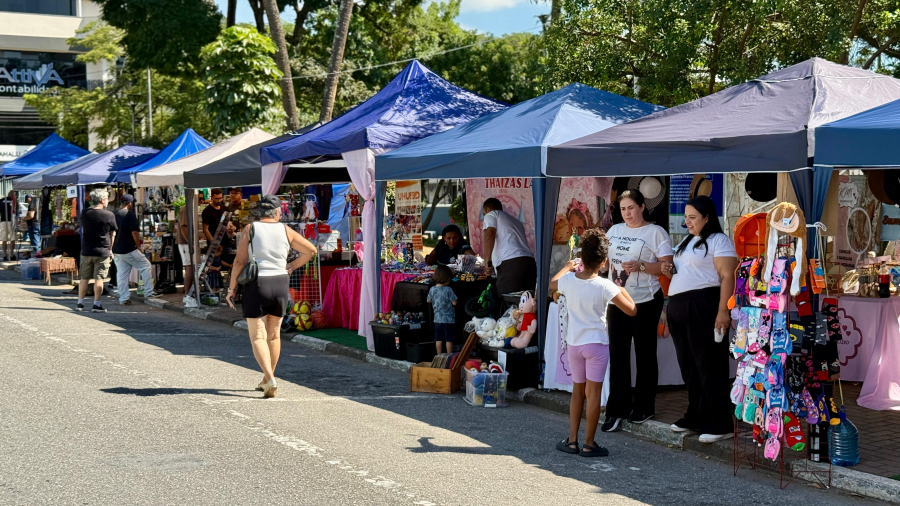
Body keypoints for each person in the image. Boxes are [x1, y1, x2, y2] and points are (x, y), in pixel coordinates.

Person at [550, 230, 636, 458]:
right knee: (594, 393)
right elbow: (631, 310)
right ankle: (589, 443)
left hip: (574, 344)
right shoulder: (605, 285)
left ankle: (571, 440)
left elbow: (552, 284)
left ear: (581, 258)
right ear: (603, 261)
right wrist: (621, 287)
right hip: (596, 344)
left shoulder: (568, 280)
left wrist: (568, 267)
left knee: (577, 391)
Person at [661, 196, 738, 443]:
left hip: (704, 305)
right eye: (686, 217)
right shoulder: (686, 241)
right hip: (680, 307)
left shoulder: (718, 240)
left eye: (692, 217)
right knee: (689, 366)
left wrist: (723, 311)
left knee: (709, 365)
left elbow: (727, 276)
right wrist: (668, 270)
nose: (688, 222)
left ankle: (720, 421)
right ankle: (695, 415)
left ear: (707, 217)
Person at [227, 195, 316, 398]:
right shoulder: (285, 230)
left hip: (257, 283)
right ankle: (267, 379)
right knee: (274, 334)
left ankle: (270, 378)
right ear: (278, 213)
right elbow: (311, 250)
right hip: (280, 283)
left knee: (258, 336)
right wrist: (291, 266)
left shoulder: (251, 229)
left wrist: (231, 289)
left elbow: (240, 262)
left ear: (259, 213)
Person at [601, 190, 674, 432]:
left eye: (631, 208)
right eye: (623, 209)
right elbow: (604, 261)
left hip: (645, 300)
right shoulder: (614, 231)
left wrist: (642, 266)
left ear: (642, 207)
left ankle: (644, 407)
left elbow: (668, 268)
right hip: (617, 300)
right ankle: (616, 409)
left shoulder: (655, 232)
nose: (627, 213)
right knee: (618, 354)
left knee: (644, 353)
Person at [481, 198, 536, 296]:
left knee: (509, 302)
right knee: (527, 302)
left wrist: (487, 261)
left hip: (511, 264)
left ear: (488, 209)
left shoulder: (491, 214)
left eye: (484, 214)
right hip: (529, 263)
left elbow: (489, 235)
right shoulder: (516, 221)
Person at [77, 188, 117, 313]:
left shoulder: (85, 213)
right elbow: (113, 233)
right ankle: (96, 304)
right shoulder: (109, 215)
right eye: (106, 199)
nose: (107, 201)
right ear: (101, 200)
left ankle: (80, 303)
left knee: (84, 278)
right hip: (103, 250)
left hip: (87, 250)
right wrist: (111, 249)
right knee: (99, 278)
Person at [112, 194, 155, 305]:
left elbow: (110, 232)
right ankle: (149, 292)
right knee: (146, 266)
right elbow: (135, 232)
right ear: (130, 203)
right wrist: (138, 246)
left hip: (117, 249)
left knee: (122, 274)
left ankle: (123, 298)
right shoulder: (130, 214)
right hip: (129, 248)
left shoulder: (114, 214)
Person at [427, 265, 458, 354]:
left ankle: (439, 356)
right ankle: (449, 355)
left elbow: (428, 300)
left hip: (437, 319)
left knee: (438, 339)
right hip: (449, 319)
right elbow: (454, 303)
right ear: (446, 278)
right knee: (449, 339)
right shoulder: (448, 289)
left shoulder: (432, 289)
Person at [176, 198, 198, 308]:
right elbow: (183, 226)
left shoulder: (190, 208)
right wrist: (190, 242)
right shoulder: (186, 208)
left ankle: (188, 293)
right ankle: (187, 295)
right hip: (185, 242)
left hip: (187, 242)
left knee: (191, 267)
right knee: (189, 267)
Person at [1, 191, 15, 261]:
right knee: (12, 238)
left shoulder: (2, 200)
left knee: (4, 239)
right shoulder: (14, 201)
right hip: (11, 221)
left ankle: (4, 254)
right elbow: (17, 211)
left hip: (3, 221)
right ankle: (11, 254)